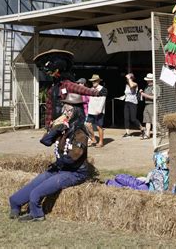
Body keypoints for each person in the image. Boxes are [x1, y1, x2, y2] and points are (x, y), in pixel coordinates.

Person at [9, 93, 90, 222]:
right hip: (60, 168)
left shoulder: (80, 132)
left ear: (77, 112)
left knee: (35, 193)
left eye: (69, 110)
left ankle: (37, 214)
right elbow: (45, 141)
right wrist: (56, 128)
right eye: (65, 109)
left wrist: (58, 163)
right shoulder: (64, 128)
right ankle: (15, 203)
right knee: (33, 185)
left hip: (74, 172)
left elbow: (73, 157)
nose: (66, 113)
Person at [34, 50, 102, 129]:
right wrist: (48, 124)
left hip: (69, 120)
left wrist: (96, 92)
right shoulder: (51, 90)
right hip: (56, 121)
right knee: (49, 139)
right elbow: (49, 108)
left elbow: (80, 89)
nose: (51, 75)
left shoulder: (66, 84)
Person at [86, 74, 108, 148]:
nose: (93, 82)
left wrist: (99, 110)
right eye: (92, 81)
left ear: (98, 81)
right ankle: (93, 139)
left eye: (95, 81)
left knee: (99, 127)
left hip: (99, 111)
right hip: (91, 110)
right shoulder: (90, 89)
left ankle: (101, 142)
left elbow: (103, 100)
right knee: (88, 124)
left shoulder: (103, 89)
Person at [123, 73, 145, 137]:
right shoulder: (126, 85)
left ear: (131, 78)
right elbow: (127, 93)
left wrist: (129, 78)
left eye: (128, 78)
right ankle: (127, 133)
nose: (127, 79)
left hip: (133, 103)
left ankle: (142, 128)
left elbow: (132, 86)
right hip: (127, 102)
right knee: (126, 118)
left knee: (133, 119)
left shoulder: (135, 84)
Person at [139, 73, 160, 140]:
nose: (147, 81)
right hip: (147, 104)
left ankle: (155, 133)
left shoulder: (156, 87)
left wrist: (144, 94)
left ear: (152, 80)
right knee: (147, 120)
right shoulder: (147, 87)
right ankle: (147, 134)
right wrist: (142, 93)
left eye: (149, 80)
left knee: (154, 120)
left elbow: (155, 97)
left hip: (153, 104)